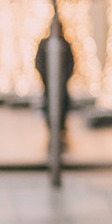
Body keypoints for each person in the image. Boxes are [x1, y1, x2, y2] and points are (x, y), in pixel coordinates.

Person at [34, 18, 76, 158]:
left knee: (62, 107)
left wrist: (64, 79)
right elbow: (39, 62)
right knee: (49, 107)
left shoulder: (65, 44)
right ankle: (53, 132)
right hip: (49, 85)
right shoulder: (46, 44)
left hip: (61, 85)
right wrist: (46, 79)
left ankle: (60, 132)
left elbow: (72, 63)